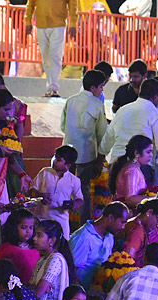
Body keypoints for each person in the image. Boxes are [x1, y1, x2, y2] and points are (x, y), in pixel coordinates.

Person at [61, 69, 108, 222]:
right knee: (84, 190)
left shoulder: (70, 101)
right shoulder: (98, 105)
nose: (102, 90)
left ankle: (63, 220)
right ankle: (83, 224)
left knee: (63, 187)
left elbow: (63, 126)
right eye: (101, 86)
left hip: (66, 152)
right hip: (86, 154)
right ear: (93, 88)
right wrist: (101, 156)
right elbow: (102, 134)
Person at [102, 78, 158, 175]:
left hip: (116, 163)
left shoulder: (123, 109)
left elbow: (109, 136)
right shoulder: (154, 115)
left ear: (140, 91)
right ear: (155, 97)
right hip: (140, 166)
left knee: (117, 190)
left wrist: (100, 157)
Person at [25, 0, 76, 98]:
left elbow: (73, 4)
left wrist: (73, 23)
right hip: (41, 24)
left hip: (58, 24)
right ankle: (50, 88)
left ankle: (53, 88)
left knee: (55, 56)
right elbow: (30, 4)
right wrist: (28, 21)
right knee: (46, 58)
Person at [32, 146, 82, 241]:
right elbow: (31, 190)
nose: (54, 161)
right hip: (40, 219)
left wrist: (73, 205)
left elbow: (79, 199)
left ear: (68, 166)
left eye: (58, 160)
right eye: (55, 158)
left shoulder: (74, 180)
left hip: (61, 222)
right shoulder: (45, 172)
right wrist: (39, 195)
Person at [108, 135, 154, 212]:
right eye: (148, 152)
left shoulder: (134, 167)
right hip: (128, 214)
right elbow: (130, 199)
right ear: (137, 153)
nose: (151, 155)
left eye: (151, 152)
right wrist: (154, 199)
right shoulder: (132, 170)